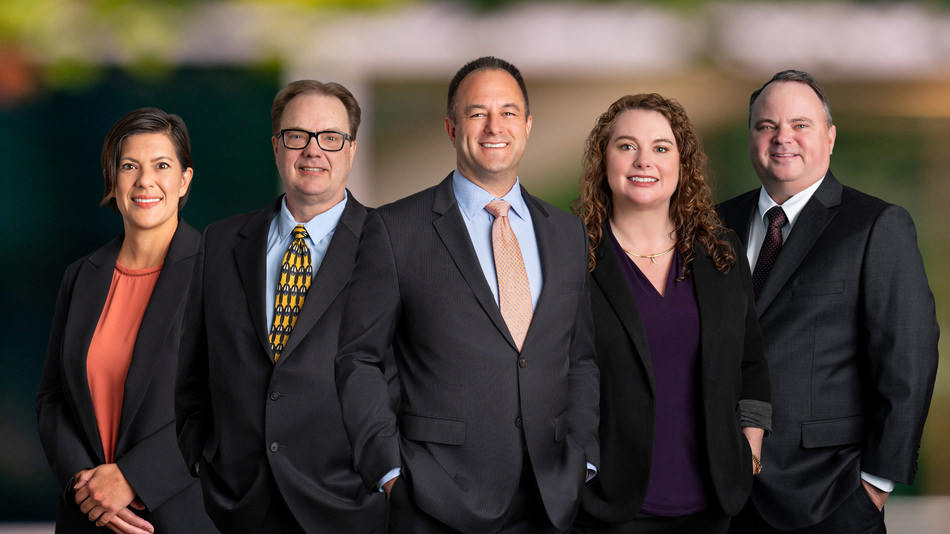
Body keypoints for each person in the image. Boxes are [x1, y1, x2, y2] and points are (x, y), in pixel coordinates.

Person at [334, 56, 600, 533]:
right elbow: (359, 360)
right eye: (477, 113)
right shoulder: (394, 230)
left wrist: (583, 458)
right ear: (452, 128)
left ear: (528, 125)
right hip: (437, 498)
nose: (494, 125)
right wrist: (390, 472)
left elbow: (579, 358)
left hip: (550, 494)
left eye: (508, 112)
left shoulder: (567, 233)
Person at [720, 70, 939, 533]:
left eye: (801, 125)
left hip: (831, 497)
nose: (783, 138)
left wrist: (875, 486)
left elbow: (909, 359)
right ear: (752, 138)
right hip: (725, 496)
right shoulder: (716, 226)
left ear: (830, 137)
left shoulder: (876, 225)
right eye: (766, 126)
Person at [174, 80, 386, 533]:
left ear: (351, 149)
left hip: (352, 507)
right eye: (297, 136)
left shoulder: (391, 245)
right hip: (239, 507)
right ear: (276, 147)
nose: (313, 151)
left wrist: (385, 477)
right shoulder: (221, 241)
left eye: (330, 137)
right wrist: (204, 461)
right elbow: (190, 374)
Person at [569, 94, 771, 533]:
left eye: (661, 148)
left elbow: (751, 361)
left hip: (711, 506)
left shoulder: (722, 252)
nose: (645, 161)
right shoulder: (570, 257)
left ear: (683, 163)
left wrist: (749, 449)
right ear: (604, 159)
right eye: (626, 146)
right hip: (607, 507)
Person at [37, 108, 215, 533]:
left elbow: (231, 406)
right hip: (88, 518)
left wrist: (134, 478)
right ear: (112, 179)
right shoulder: (81, 277)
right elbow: (52, 398)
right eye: (129, 166)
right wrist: (84, 481)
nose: (144, 181)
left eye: (162, 166)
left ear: (185, 179)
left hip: (180, 516)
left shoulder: (220, 275)